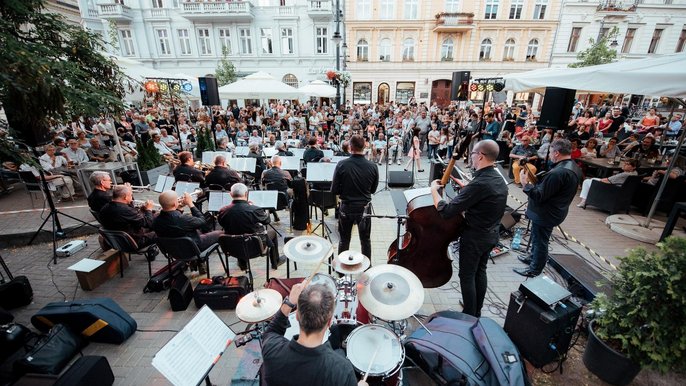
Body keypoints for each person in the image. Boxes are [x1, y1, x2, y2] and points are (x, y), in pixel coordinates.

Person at [430, 139, 507, 317]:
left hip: (475, 238)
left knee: (467, 276)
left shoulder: (479, 184)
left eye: (472, 154)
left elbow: (447, 211)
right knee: (480, 271)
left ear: (480, 156)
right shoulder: (498, 178)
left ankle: (469, 313)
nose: (470, 158)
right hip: (491, 234)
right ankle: (476, 309)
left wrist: (434, 191)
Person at [261, 283, 359, 386]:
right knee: (340, 352)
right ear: (329, 322)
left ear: (297, 315)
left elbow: (272, 330)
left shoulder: (271, 349)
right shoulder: (342, 370)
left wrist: (289, 302)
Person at [515, 139, 582, 277]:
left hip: (546, 213)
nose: (549, 155)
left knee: (540, 241)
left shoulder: (558, 173)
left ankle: (534, 269)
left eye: (550, 152)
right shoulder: (573, 166)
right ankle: (532, 258)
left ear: (557, 153)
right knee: (536, 236)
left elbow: (539, 195)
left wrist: (524, 184)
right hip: (555, 210)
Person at [331, 135, 379, 261]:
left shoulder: (342, 164)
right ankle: (367, 268)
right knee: (365, 240)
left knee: (344, 240)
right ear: (364, 146)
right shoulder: (373, 166)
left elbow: (334, 190)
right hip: (364, 208)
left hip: (346, 207)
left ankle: (342, 269)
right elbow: (373, 190)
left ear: (350, 147)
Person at [152, 190, 223, 274]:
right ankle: (199, 260)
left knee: (194, 230)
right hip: (193, 249)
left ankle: (197, 262)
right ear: (175, 204)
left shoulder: (156, 220)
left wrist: (178, 209)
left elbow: (174, 224)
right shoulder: (183, 219)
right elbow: (202, 221)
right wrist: (190, 204)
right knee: (220, 233)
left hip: (173, 251)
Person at [217, 183, 285, 270]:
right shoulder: (254, 209)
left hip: (232, 248)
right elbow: (267, 221)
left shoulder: (222, 211)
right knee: (272, 233)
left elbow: (223, 225)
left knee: (235, 230)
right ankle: (275, 261)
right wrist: (258, 209)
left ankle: (243, 264)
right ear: (246, 194)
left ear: (230, 194)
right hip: (255, 247)